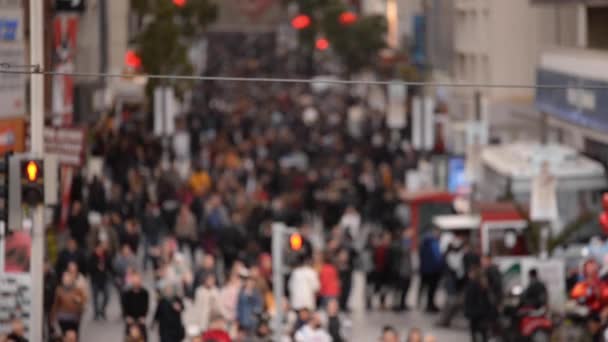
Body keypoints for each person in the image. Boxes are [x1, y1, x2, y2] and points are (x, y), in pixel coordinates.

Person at [464, 265, 493, 342]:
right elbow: (488, 301)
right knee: (484, 334)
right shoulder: (484, 285)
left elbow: (469, 300)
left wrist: (467, 312)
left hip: (475, 314)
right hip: (483, 314)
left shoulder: (472, 285)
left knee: (475, 333)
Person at [419, 227, 443, 313]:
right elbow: (437, 257)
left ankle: (430, 304)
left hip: (428, 269)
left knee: (430, 289)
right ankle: (430, 305)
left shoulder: (425, 242)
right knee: (431, 288)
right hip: (432, 270)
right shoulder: (432, 242)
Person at [389, 227, 413, 312]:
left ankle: (402, 303)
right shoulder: (400, 242)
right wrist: (406, 239)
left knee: (406, 288)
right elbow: (403, 251)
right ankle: (396, 304)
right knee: (398, 289)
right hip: (400, 270)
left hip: (407, 270)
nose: (411, 233)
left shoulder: (407, 242)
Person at [121, 273, 149, 338]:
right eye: (135, 281)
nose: (136, 283)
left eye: (138, 281)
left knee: (143, 336)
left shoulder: (144, 293)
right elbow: (124, 306)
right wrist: (127, 316)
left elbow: (146, 306)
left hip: (140, 318)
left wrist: (143, 316)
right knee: (129, 337)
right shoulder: (127, 293)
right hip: (130, 317)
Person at [88, 242, 112, 320]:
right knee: (95, 298)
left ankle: (102, 310)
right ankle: (96, 313)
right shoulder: (92, 257)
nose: (100, 250)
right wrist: (96, 267)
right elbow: (89, 268)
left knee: (107, 296)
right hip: (95, 280)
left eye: (101, 249)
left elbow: (110, 266)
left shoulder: (106, 256)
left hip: (104, 279)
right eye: (98, 249)